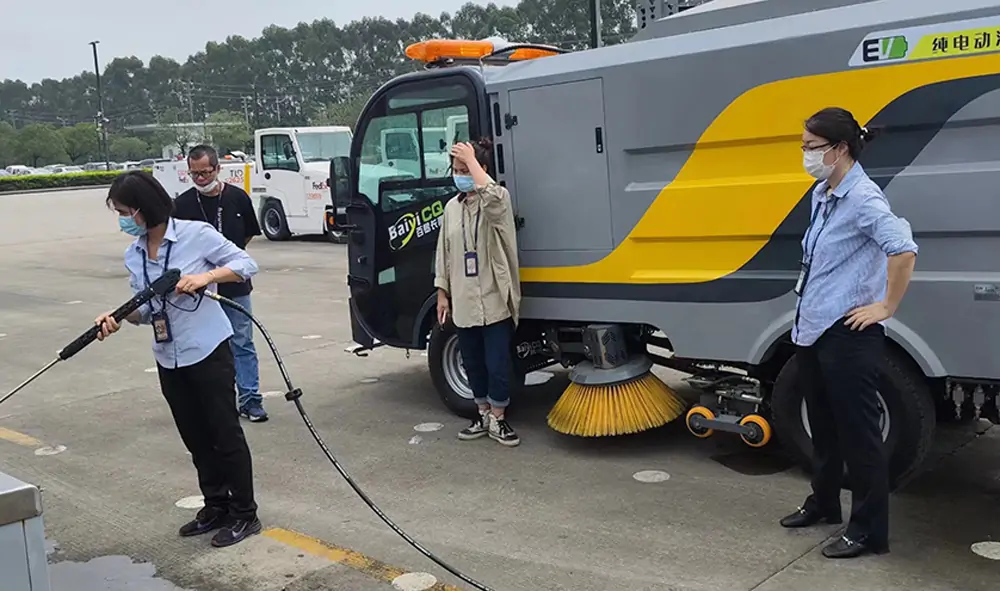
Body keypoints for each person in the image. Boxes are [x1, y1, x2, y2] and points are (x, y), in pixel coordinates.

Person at [95, 170, 263, 547]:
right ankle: (216, 505)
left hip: (206, 349)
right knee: (196, 436)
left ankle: (244, 514)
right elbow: (146, 309)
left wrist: (206, 278)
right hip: (168, 356)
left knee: (224, 434)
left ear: (141, 209)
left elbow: (246, 264)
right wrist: (118, 318)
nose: (122, 219)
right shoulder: (134, 253)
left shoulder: (195, 234)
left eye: (123, 211)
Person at [779, 107, 918, 559]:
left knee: (860, 436)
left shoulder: (864, 198)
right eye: (803, 146)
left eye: (811, 148)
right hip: (814, 329)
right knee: (823, 426)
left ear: (839, 150)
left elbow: (902, 250)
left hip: (847, 334)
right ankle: (823, 504)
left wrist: (886, 307)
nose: (805, 155)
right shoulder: (824, 192)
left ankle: (869, 531)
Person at [434, 139, 522, 447]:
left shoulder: (497, 200)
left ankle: (499, 418)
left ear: (480, 169)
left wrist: (472, 161)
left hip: (494, 299)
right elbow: (444, 252)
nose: (459, 175)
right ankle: (482, 413)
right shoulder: (451, 208)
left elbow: (494, 199)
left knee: (497, 363)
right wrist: (442, 292)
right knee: (472, 362)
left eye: (465, 169)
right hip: (464, 301)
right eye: (456, 170)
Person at [172, 145, 267, 423]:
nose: (200, 178)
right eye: (194, 173)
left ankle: (250, 399)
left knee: (242, 343)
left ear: (217, 169)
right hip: (198, 291)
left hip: (234, 286)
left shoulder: (238, 198)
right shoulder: (183, 205)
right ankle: (212, 402)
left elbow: (247, 236)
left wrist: (224, 267)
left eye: (205, 172)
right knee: (205, 345)